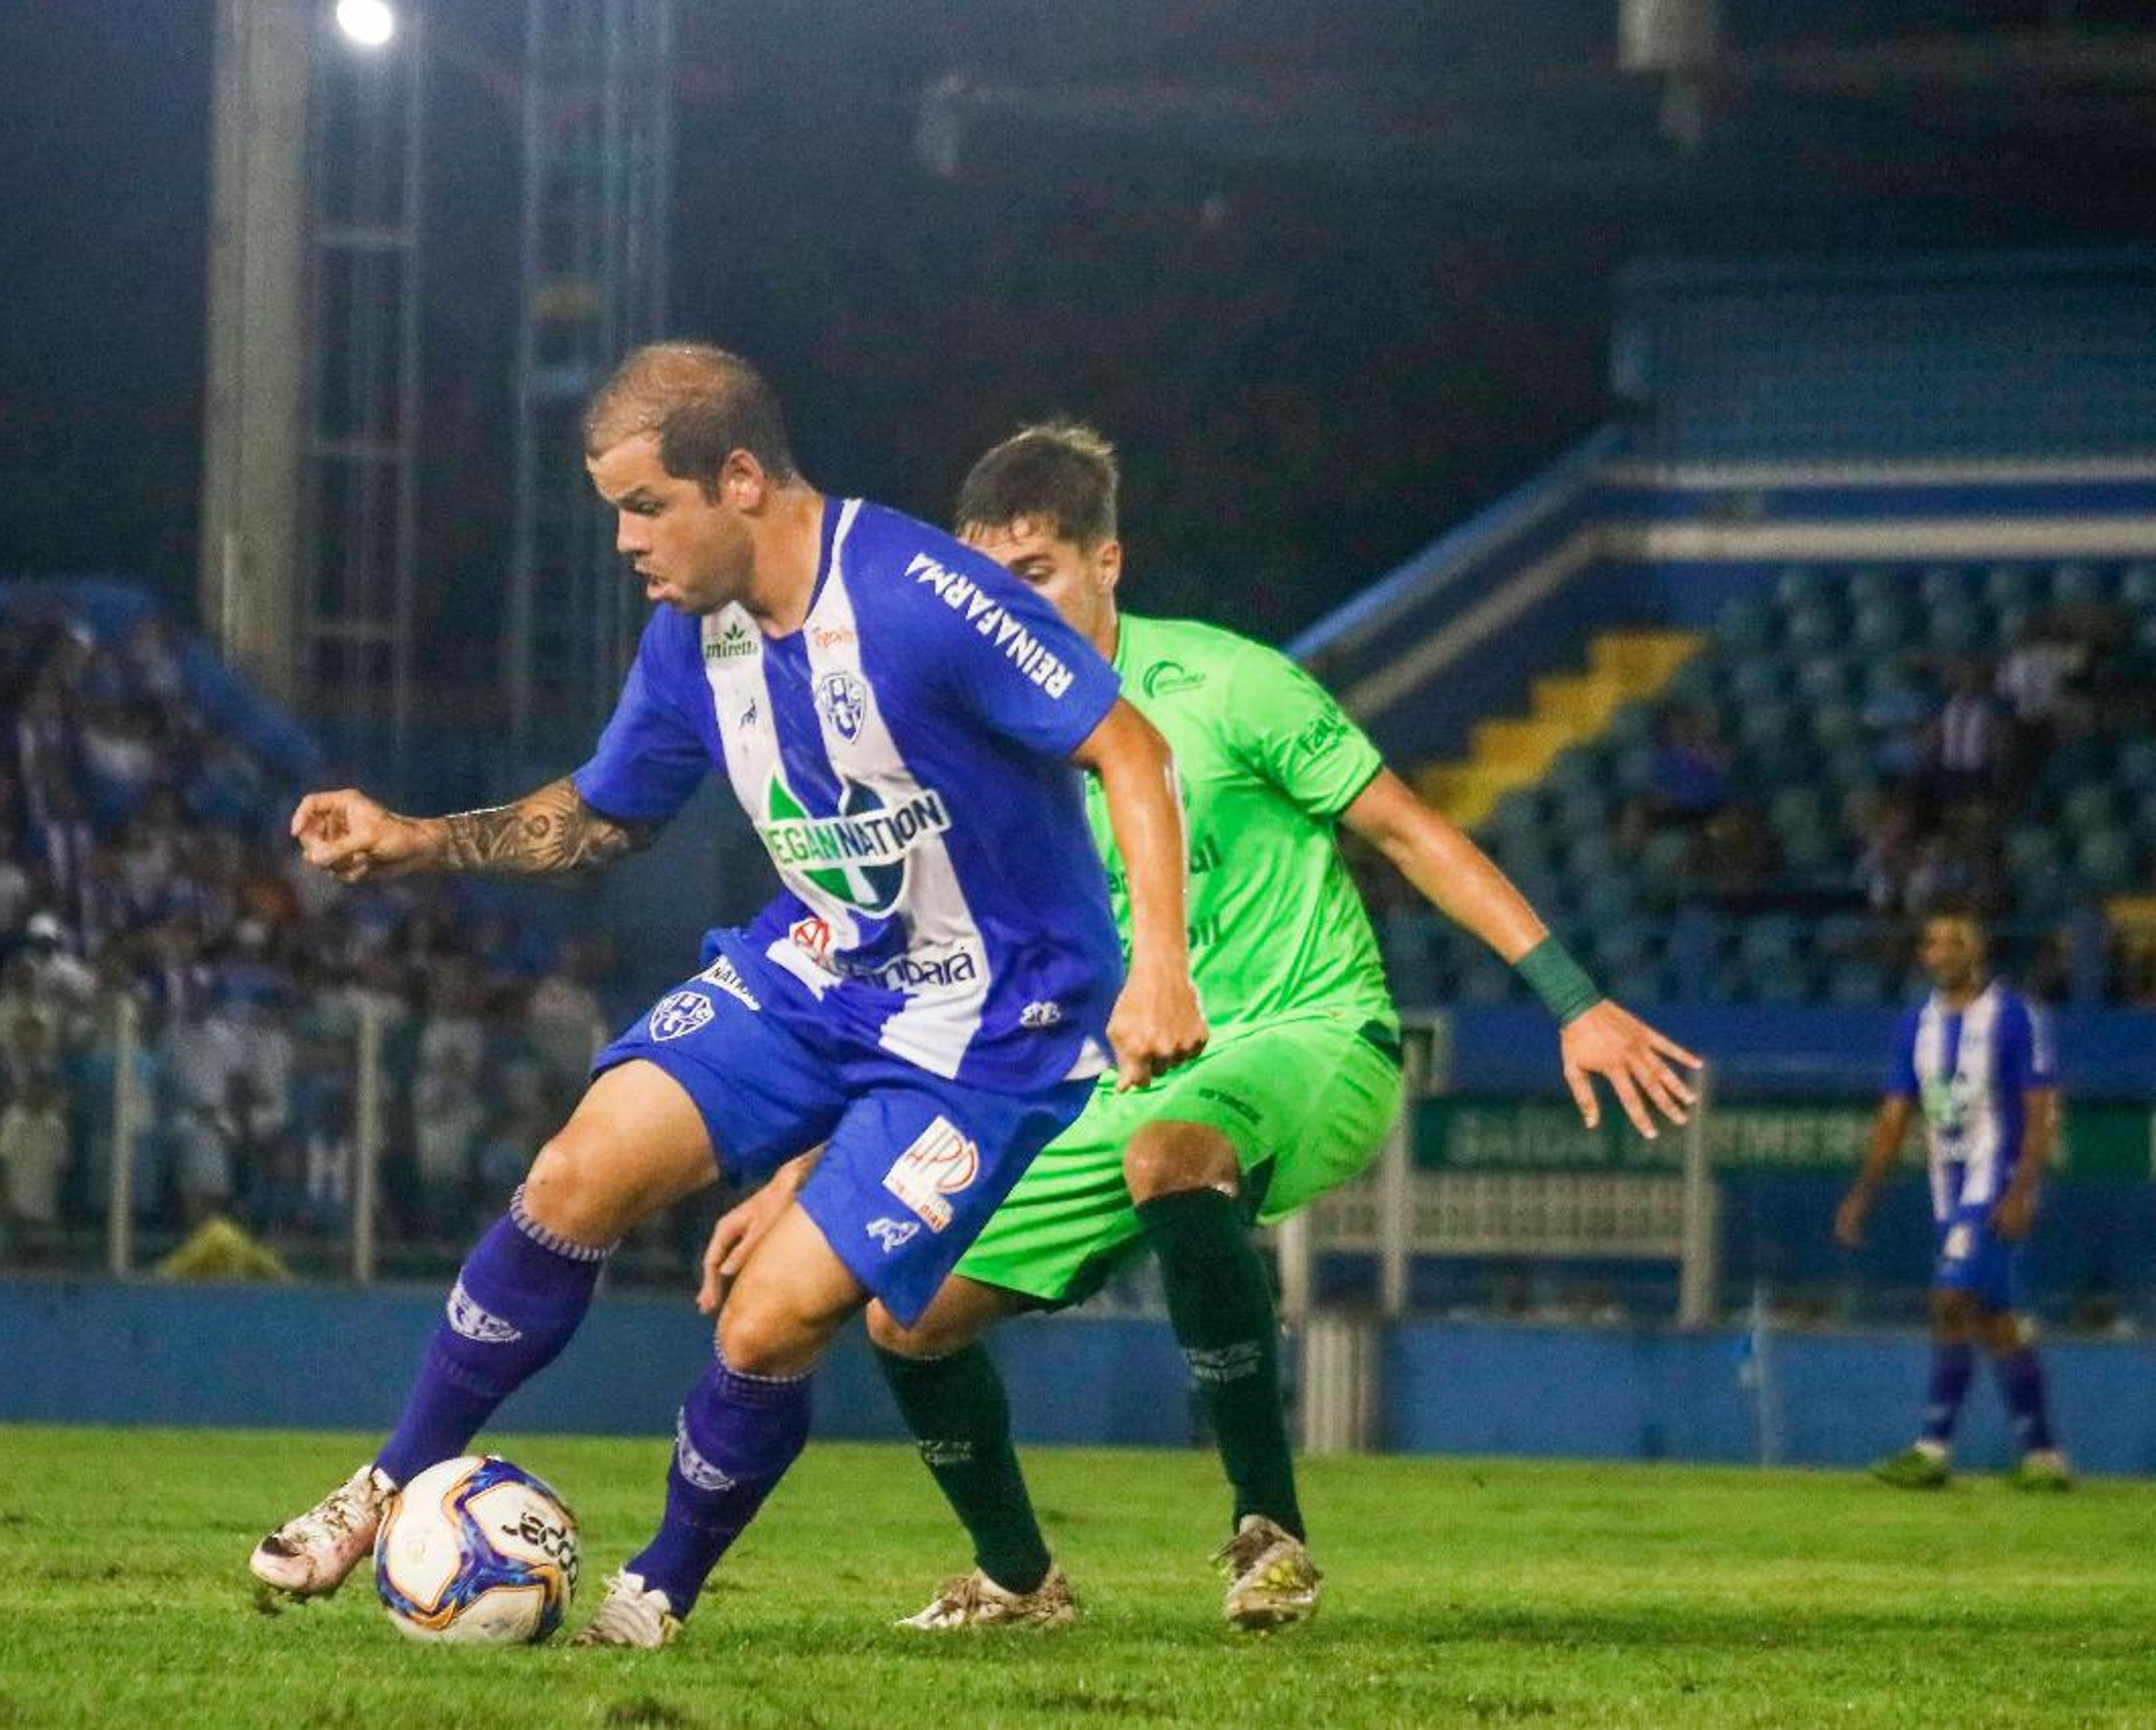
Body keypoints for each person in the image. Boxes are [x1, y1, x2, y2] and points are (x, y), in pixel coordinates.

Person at [249, 343, 1206, 1646]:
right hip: (814, 968)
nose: (629, 542)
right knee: (574, 1173)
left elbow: (1130, 746)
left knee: (768, 1321)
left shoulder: (922, 591)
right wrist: (414, 836)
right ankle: (379, 1484)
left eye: (647, 506)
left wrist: (1161, 969)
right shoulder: (691, 639)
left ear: (740, 478)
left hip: (991, 1029)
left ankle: (652, 1594)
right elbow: (601, 814)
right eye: (618, 514)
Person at [701, 423, 1701, 1630]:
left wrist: (1574, 999)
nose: (998, 606)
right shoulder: (964, 753)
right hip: (1115, 1084)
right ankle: (1022, 1580)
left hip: (1311, 1030)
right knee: (907, 1312)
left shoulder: (1231, 682)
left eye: (1035, 573)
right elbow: (919, 984)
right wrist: (803, 1174)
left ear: (1108, 561)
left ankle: (1267, 1531)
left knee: (1171, 1149)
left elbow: (1410, 831)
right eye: (978, 581)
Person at [1837, 909, 2069, 1491]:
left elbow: (2040, 1111)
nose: (1938, 950)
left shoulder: (2013, 1016)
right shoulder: (1916, 1023)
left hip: (1998, 1175)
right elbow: (1895, 1115)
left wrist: (2022, 1191)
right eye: (1931, 941)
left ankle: (1932, 1446)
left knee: (1950, 1297)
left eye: (1951, 940)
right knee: (1994, 1322)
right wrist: (1864, 1192)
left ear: (1976, 950)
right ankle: (2043, 1457)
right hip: (1949, 1184)